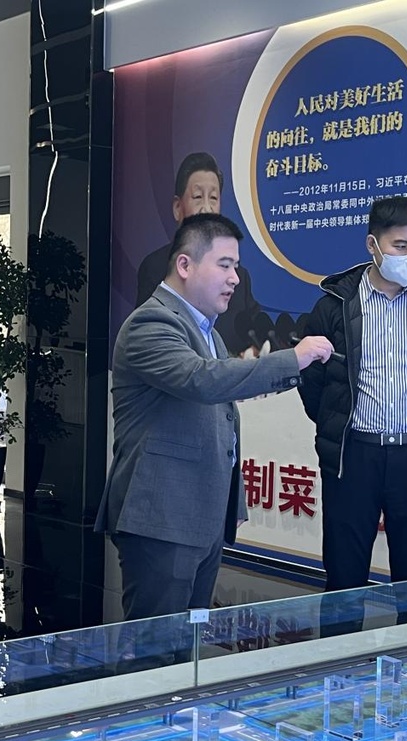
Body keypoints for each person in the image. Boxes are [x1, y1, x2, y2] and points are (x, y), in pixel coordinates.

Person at [96, 212, 334, 623]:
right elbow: (203, 380)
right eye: (224, 265)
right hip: (161, 518)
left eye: (236, 267)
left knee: (190, 641)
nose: (235, 279)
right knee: (156, 646)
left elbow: (222, 408)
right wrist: (291, 359)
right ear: (185, 265)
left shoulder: (208, 331)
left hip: (201, 519)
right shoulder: (151, 323)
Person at [298, 196, 407, 630]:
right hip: (353, 457)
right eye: (400, 246)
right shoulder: (333, 307)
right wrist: (339, 427)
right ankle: (340, 664)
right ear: (372, 245)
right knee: (344, 581)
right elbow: (313, 385)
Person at [136, 152, 263, 355]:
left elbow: (256, 335)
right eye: (197, 197)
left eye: (213, 198)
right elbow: (150, 343)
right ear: (178, 208)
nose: (206, 208)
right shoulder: (156, 267)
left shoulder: (239, 279)